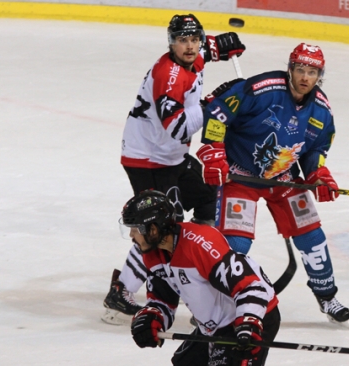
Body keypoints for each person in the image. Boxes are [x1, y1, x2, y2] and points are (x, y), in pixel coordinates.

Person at [102, 13, 247, 325]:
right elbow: (177, 128)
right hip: (148, 158)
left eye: (194, 38)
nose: (190, 45)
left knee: (209, 195)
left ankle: (192, 268)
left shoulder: (192, 54)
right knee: (159, 224)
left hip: (171, 157)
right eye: (183, 40)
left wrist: (224, 44)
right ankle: (123, 289)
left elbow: (208, 49)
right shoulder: (169, 75)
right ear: (171, 43)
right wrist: (213, 104)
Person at [195, 43, 349, 323]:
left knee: (312, 237)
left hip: (284, 178)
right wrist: (213, 153)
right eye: (300, 70)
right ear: (290, 69)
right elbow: (217, 112)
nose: (305, 77)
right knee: (235, 245)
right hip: (239, 175)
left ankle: (327, 297)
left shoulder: (321, 112)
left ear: (320, 75)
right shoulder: (262, 89)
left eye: (312, 72)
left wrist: (318, 174)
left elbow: (315, 149)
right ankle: (216, 305)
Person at [121, 190, 280, 366]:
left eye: (135, 229)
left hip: (250, 315)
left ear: (153, 229)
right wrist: (153, 317)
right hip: (215, 325)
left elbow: (251, 287)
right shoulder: (153, 253)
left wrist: (249, 324)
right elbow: (163, 299)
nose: (131, 236)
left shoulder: (200, 244)